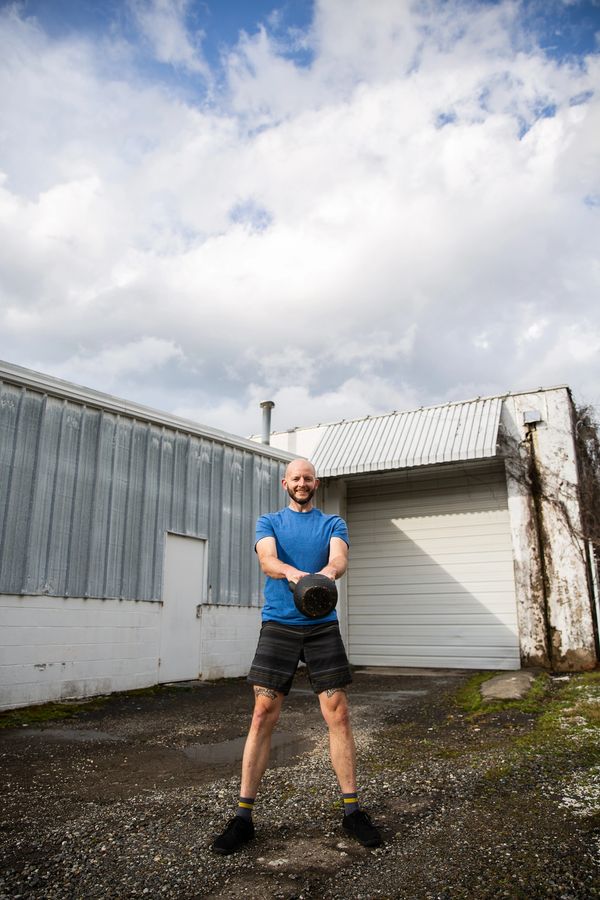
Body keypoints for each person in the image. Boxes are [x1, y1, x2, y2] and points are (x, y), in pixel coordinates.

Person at [211, 458, 382, 855]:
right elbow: (267, 560)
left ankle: (352, 811)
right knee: (262, 714)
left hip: (322, 625)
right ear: (284, 482)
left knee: (337, 712)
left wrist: (323, 577)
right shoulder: (268, 521)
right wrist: (295, 575)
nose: (302, 483)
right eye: (296, 478)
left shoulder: (332, 523)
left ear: (315, 483)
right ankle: (242, 817)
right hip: (280, 625)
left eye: (308, 478)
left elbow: (339, 559)